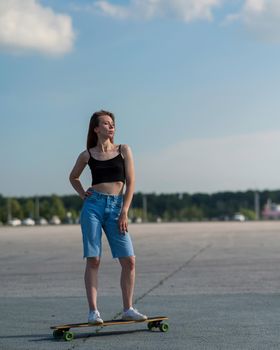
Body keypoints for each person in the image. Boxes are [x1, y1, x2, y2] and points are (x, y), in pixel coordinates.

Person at [69, 110, 147, 324]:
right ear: (96, 128)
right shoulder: (87, 154)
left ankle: (128, 308)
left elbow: (130, 182)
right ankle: (93, 312)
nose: (111, 126)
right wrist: (82, 193)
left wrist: (124, 211)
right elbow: (73, 177)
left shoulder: (124, 150)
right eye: (105, 123)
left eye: (112, 123)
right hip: (93, 206)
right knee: (94, 259)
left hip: (116, 208)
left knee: (129, 260)